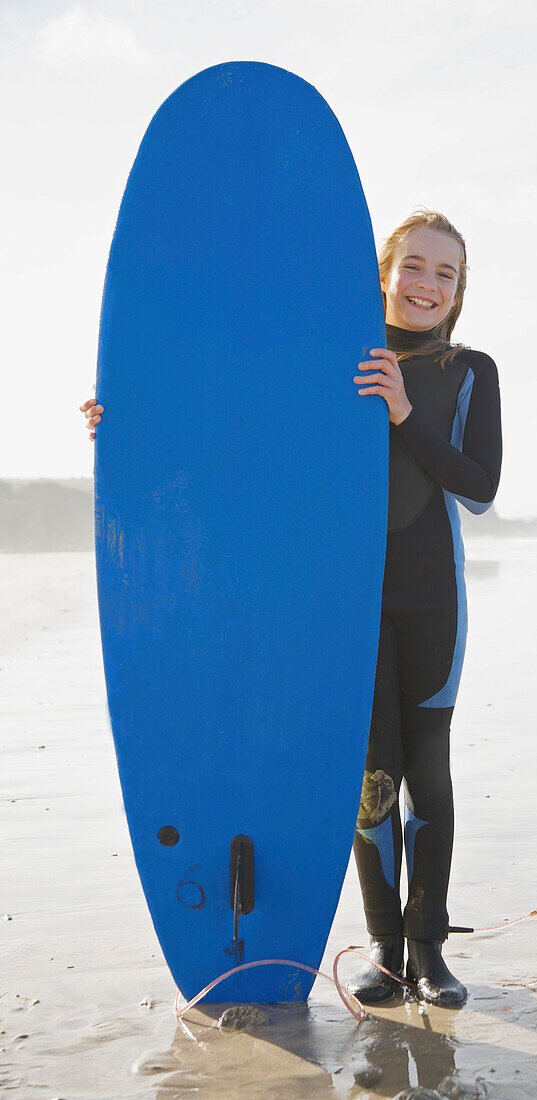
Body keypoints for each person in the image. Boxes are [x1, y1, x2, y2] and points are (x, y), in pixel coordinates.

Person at [80, 208, 502, 1009]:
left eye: (444, 274)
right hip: (338, 602)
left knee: (428, 775)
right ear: (383, 272)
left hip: (428, 597)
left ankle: (429, 953)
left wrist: (403, 411)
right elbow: (234, 423)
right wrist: (125, 425)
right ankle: (383, 953)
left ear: (458, 291)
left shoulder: (468, 369)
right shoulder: (331, 355)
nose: (426, 285)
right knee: (370, 778)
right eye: (413, 266)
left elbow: (479, 487)